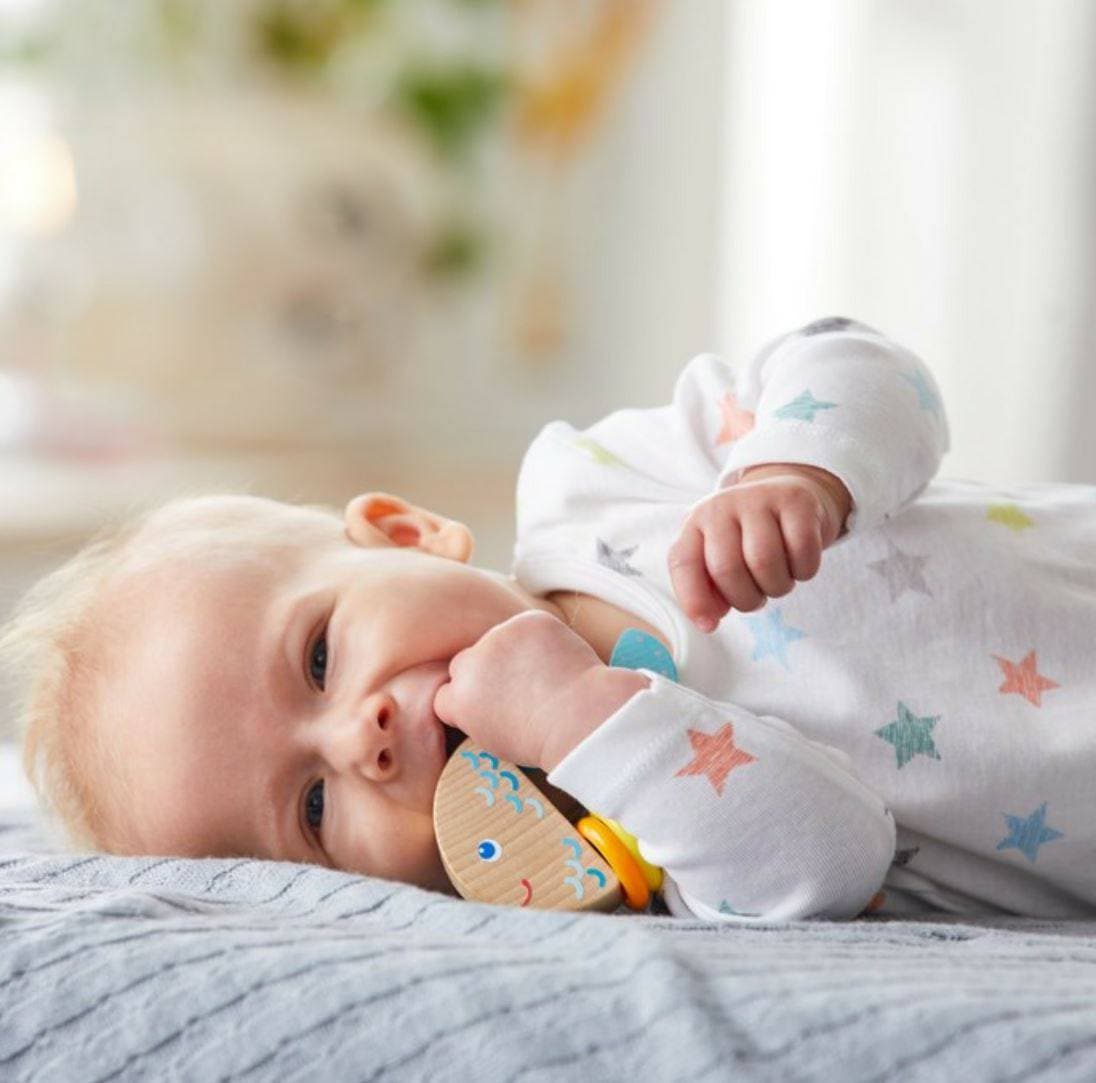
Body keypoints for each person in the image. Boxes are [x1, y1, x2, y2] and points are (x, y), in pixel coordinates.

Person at [4, 317, 1094, 921]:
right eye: (314, 807)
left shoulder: (602, 487)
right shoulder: (636, 865)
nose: (357, 738)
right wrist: (586, 720)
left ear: (405, 532)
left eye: (321, 656)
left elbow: (863, 362)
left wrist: (795, 470)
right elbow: (835, 859)